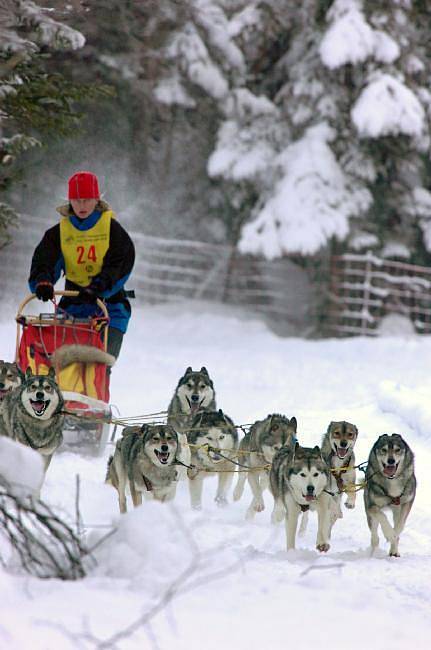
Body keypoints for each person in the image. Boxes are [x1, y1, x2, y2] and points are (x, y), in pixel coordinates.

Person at [28, 170, 135, 360]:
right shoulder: (59, 233)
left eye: (86, 200)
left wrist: (99, 287)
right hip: (72, 308)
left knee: (100, 367)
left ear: (97, 200)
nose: (82, 205)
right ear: (70, 201)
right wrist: (43, 282)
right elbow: (44, 260)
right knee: (64, 368)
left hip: (109, 308)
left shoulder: (112, 229)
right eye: (76, 200)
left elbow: (120, 262)